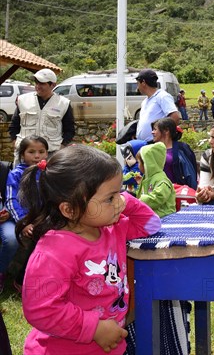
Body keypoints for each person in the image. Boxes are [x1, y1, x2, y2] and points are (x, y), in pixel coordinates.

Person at [17, 145, 161, 354]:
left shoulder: (114, 228)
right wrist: (93, 329)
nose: (118, 201)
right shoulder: (55, 250)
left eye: (119, 193)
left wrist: (127, 201)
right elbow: (40, 309)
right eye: (109, 198)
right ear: (70, 209)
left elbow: (151, 225)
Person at [4, 136, 49, 291]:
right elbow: (11, 200)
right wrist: (23, 222)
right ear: (22, 154)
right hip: (25, 218)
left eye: (41, 151)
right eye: (31, 152)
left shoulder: (48, 173)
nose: (37, 156)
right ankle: (21, 279)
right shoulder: (16, 174)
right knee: (38, 236)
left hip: (45, 217)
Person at [8, 68, 75, 165]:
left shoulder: (63, 103)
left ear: (53, 85)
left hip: (51, 153)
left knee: (48, 180)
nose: (38, 86)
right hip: (24, 153)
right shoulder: (23, 100)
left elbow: (70, 130)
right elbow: (14, 125)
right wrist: (15, 142)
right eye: (36, 83)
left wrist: (61, 147)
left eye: (42, 83)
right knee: (21, 179)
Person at [151, 118, 198, 189]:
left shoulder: (182, 149)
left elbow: (190, 172)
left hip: (178, 192)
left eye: (155, 129)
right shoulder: (153, 150)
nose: (152, 132)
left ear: (166, 130)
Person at [134, 69, 180, 142]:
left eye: (138, 83)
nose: (137, 87)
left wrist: (163, 137)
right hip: (145, 144)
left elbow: (175, 117)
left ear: (143, 82)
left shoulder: (162, 96)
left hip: (156, 144)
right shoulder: (145, 101)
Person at [134, 142, 176, 218]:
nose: (138, 165)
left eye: (139, 162)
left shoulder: (162, 180)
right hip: (154, 216)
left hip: (165, 216)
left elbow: (158, 197)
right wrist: (140, 184)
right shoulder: (148, 178)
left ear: (147, 163)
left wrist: (140, 201)